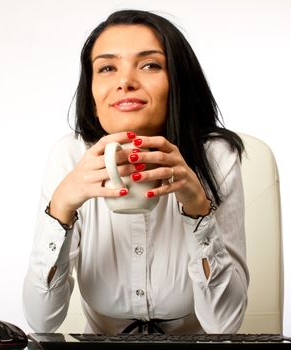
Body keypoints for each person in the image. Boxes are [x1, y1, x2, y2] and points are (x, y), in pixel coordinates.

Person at [23, 9, 248, 335]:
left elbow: (223, 324)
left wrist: (198, 209)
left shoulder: (216, 157)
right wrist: (61, 209)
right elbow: (41, 320)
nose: (125, 82)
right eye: (107, 68)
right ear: (92, 92)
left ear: (177, 82)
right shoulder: (70, 154)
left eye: (150, 65)